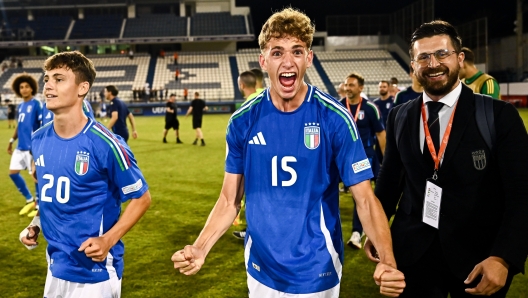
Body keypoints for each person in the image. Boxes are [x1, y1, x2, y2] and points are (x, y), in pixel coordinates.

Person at [172, 8, 405, 298]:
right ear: (263, 60)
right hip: (260, 267)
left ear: (309, 58)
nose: (288, 61)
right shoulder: (243, 120)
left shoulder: (334, 118)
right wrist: (200, 247)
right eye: (277, 52)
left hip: (316, 268)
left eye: (297, 51)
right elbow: (229, 200)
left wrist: (388, 261)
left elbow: (365, 199)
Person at [369, 20, 528, 297]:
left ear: (459, 58)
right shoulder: (400, 115)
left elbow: (522, 194)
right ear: (414, 64)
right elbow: (389, 183)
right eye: (424, 57)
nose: (433, 63)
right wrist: (377, 233)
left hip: (478, 260)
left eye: (442, 54)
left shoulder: (499, 115)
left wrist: (503, 258)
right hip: (411, 256)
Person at [19, 50, 151, 298]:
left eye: (59, 79)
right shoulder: (38, 140)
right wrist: (36, 224)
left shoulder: (106, 143)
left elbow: (142, 198)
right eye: (46, 78)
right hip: (55, 265)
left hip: (95, 272)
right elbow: (52, 195)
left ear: (82, 88)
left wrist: (108, 240)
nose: (48, 85)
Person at [340, 72, 386, 250]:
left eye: (351, 85)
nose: (348, 88)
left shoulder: (370, 108)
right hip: (341, 157)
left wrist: (385, 160)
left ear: (360, 88)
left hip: (364, 157)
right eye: (346, 84)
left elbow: (381, 135)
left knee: (361, 195)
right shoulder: (339, 107)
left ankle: (357, 233)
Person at [7, 74, 42, 216]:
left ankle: (39, 205)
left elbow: (42, 125)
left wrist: (39, 145)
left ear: (32, 88)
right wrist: (11, 141)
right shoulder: (21, 106)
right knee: (13, 173)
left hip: (31, 147)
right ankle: (29, 199)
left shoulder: (36, 104)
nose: (24, 89)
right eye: (21, 87)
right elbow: (20, 126)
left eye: (27, 86)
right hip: (20, 147)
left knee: (35, 176)